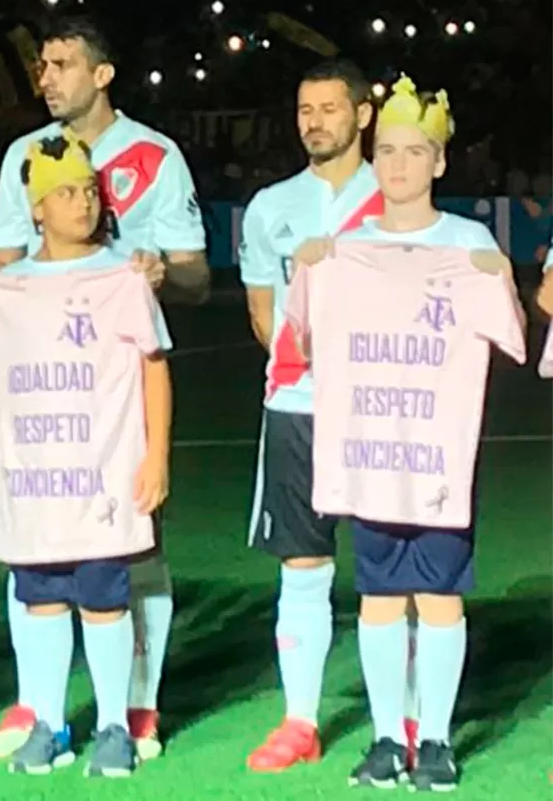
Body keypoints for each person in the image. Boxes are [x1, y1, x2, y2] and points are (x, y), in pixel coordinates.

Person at [0, 16, 204, 762]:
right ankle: (39, 711)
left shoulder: (154, 155)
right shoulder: (22, 157)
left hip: (117, 390)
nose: (46, 78)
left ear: (103, 74)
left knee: (133, 545)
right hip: (43, 403)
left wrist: (163, 276)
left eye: (62, 64)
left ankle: (135, 707)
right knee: (36, 550)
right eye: (42, 65)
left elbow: (197, 272)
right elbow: (7, 284)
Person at [291, 74, 525, 792]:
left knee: (442, 596)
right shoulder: (344, 247)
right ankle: (390, 737)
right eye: (386, 151)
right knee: (381, 595)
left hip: (436, 454)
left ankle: (440, 738)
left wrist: (500, 276)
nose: (397, 166)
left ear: (439, 162)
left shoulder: (469, 242)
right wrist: (308, 272)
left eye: (414, 152)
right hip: (372, 452)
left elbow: (513, 337)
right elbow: (304, 335)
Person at [0, 132, 172, 778]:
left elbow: (153, 367)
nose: (84, 203)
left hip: (100, 469)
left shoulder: (121, 277)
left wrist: (155, 455)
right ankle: (48, 723)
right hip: (31, 476)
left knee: (104, 596)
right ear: (37, 209)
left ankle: (113, 724)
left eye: (89, 191)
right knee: (40, 596)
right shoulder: (2, 286)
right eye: (68, 193)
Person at [238, 59, 422, 772]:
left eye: (328, 108)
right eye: (304, 109)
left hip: (378, 413)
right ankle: (301, 721)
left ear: (362, 115)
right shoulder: (268, 207)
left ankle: (401, 719)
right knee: (302, 566)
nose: (314, 122)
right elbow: (263, 313)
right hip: (295, 408)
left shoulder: (396, 198)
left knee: (393, 570)